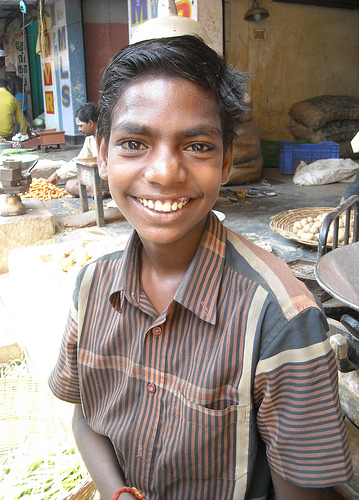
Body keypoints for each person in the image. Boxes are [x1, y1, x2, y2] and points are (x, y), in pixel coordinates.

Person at [48, 36, 352, 500]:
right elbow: (87, 415)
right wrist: (116, 493)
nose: (166, 172)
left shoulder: (281, 321)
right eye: (134, 143)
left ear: (227, 161)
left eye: (197, 146)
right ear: (103, 154)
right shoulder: (92, 287)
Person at [47, 102, 108, 198]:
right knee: (70, 185)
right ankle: (99, 191)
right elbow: (80, 160)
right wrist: (58, 173)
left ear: (90, 123)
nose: (79, 129)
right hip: (98, 178)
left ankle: (106, 190)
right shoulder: (89, 139)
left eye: (80, 126)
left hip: (111, 178)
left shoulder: (108, 136)